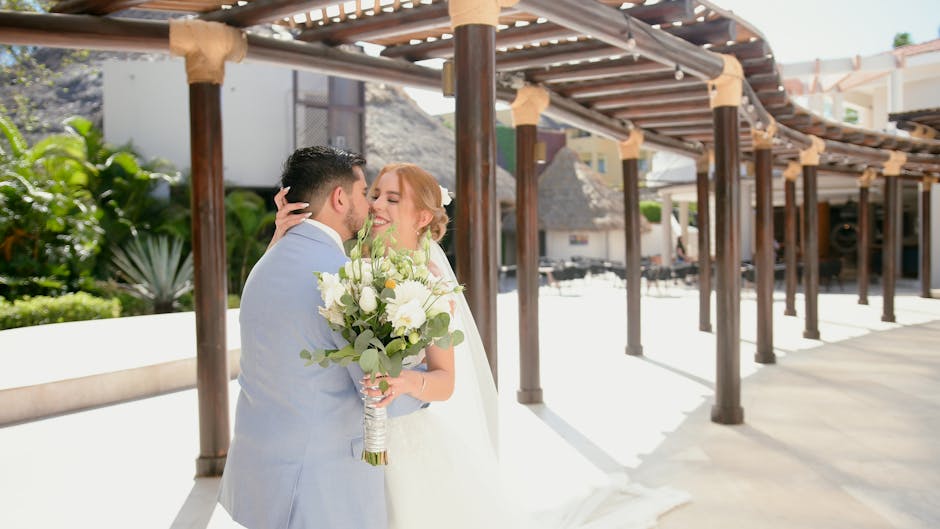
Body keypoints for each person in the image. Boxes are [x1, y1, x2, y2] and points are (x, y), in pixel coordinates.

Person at [268, 161, 689, 529]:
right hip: (350, 440)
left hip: (410, 441)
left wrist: (404, 382)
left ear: (421, 218)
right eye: (375, 194)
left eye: (392, 199)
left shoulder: (431, 282)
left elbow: (445, 381)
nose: (376, 204)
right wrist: (281, 238)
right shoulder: (352, 264)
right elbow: (288, 300)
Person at [218, 147, 432, 529]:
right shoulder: (343, 280)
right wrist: (423, 383)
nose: (370, 206)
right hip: (319, 485)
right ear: (339, 198)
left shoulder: (264, 264)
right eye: (364, 192)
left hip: (258, 473)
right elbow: (375, 391)